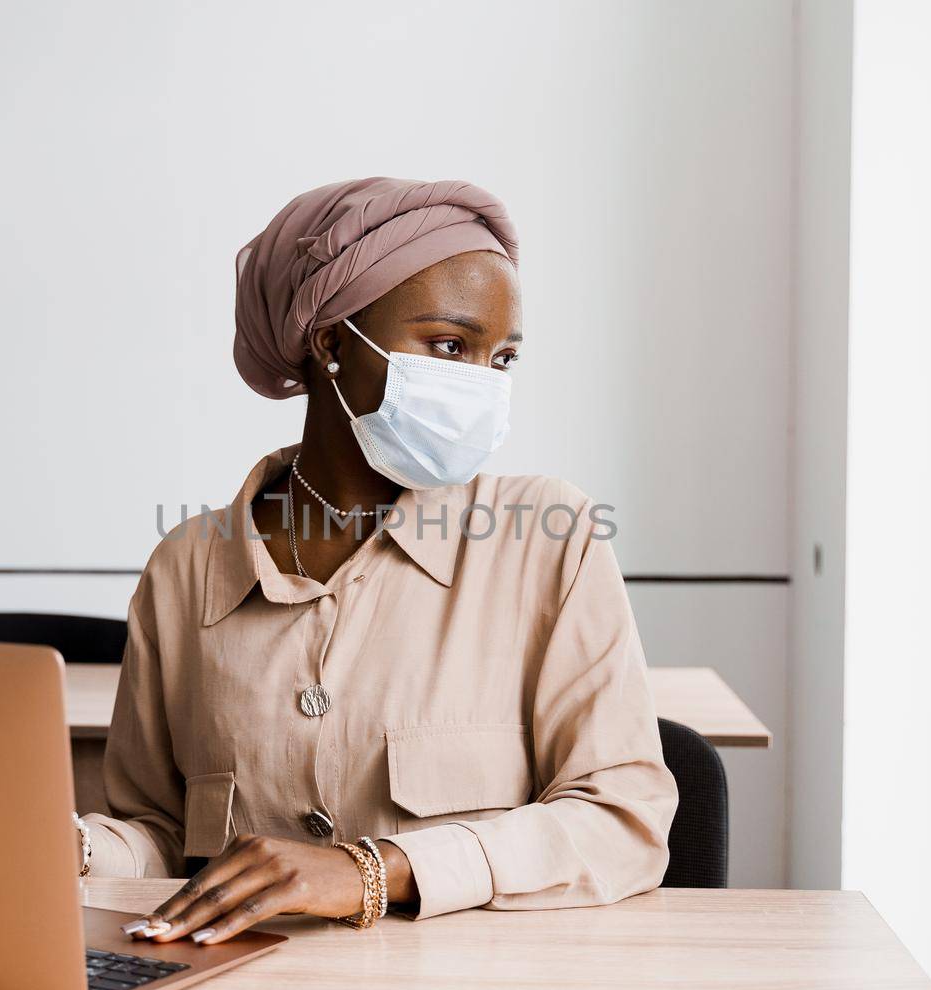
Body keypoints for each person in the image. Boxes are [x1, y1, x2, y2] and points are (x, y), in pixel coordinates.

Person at [74, 177, 677, 944]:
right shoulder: (185, 569)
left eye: (502, 359)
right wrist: (79, 849)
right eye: (450, 346)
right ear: (331, 343)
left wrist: (375, 867)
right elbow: (158, 832)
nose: (482, 385)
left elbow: (622, 822)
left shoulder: (548, 540)